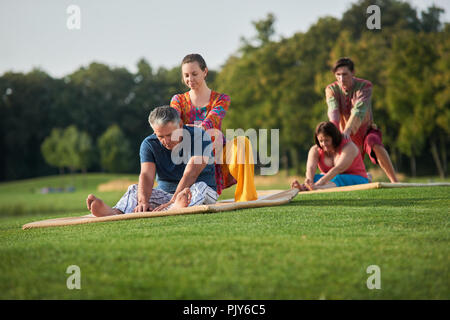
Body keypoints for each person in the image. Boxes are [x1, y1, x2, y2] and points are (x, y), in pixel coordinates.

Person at [86, 106, 218, 217]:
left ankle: (175, 208)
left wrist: (173, 201)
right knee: (134, 189)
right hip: (166, 197)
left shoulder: (200, 136)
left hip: (195, 192)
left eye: (170, 135)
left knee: (200, 188)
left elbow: (191, 174)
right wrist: (143, 201)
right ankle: (115, 212)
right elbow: (146, 175)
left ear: (181, 125)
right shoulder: (149, 144)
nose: (166, 141)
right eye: (160, 136)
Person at [170, 53, 257, 202]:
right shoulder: (177, 100)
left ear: (205, 72)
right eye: (186, 75)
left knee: (242, 142)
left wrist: (189, 128)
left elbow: (210, 121)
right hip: (190, 159)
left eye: (194, 74)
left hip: (217, 157)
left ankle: (246, 198)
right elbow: (173, 124)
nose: (190, 79)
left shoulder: (221, 99)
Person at [325, 57, 398, 183]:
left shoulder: (365, 86)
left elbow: (359, 110)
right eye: (338, 75)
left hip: (366, 130)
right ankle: (366, 177)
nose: (341, 79)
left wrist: (348, 130)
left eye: (345, 74)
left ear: (353, 73)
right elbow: (333, 111)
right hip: (344, 135)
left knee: (373, 142)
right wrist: (334, 133)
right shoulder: (331, 89)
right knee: (343, 168)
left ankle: (395, 182)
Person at [291, 121, 369, 191]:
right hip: (331, 179)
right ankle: (304, 187)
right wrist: (309, 181)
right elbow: (310, 168)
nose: (323, 144)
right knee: (314, 178)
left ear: (334, 138)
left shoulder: (349, 147)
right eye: (321, 141)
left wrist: (318, 184)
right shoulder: (315, 150)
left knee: (338, 178)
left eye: (327, 140)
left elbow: (337, 169)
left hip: (358, 179)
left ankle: (317, 188)